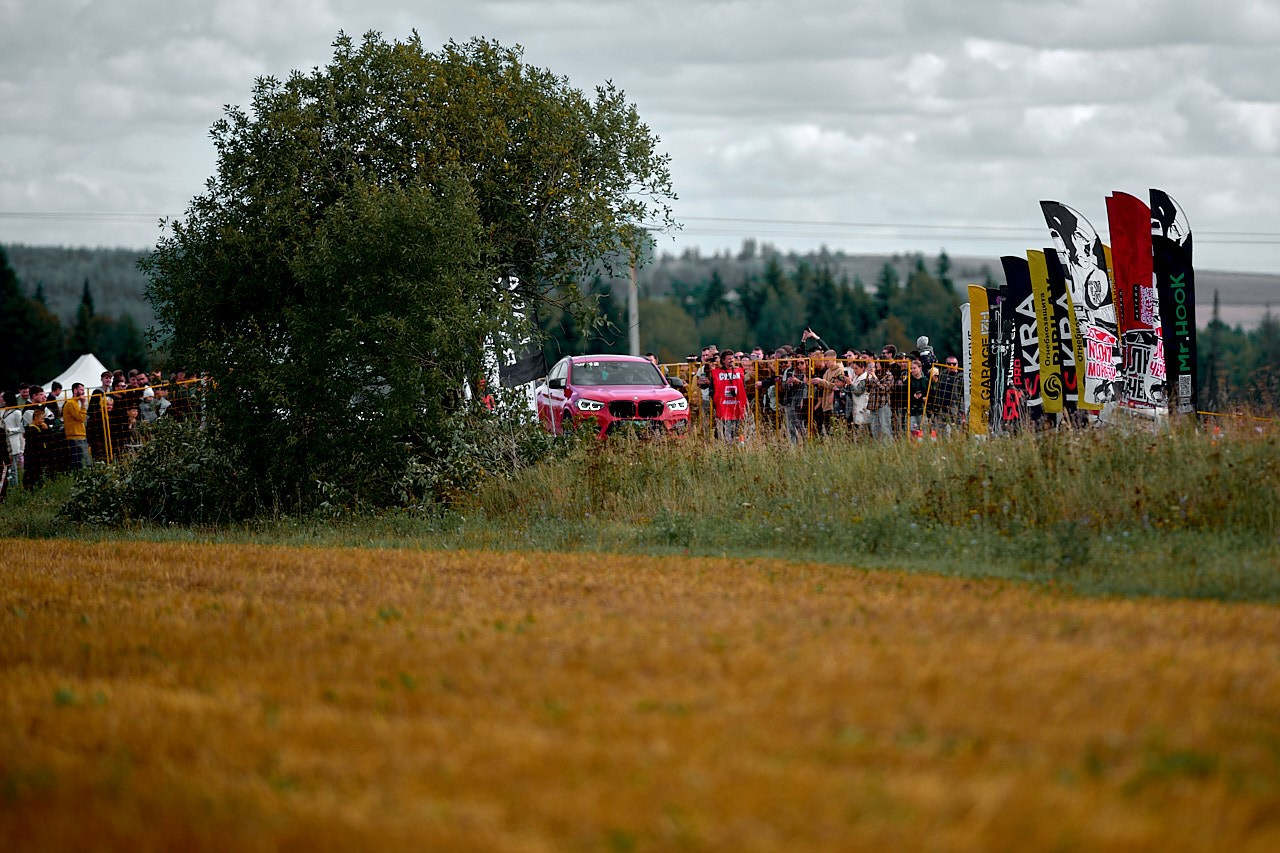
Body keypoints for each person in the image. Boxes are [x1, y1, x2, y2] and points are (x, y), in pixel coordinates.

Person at [700, 350, 748, 443]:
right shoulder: (716, 373)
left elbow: (743, 388)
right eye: (729, 359)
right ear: (723, 360)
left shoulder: (739, 371)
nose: (731, 360)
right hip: (723, 409)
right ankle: (727, 450)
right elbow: (712, 390)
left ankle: (740, 448)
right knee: (726, 434)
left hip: (738, 408)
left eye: (732, 358)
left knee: (739, 432)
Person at [22, 406, 53, 490]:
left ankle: (39, 486)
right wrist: (45, 430)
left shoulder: (39, 428)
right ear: (36, 418)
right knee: (31, 473)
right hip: (33, 455)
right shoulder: (32, 429)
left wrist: (47, 429)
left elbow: (49, 437)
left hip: (39, 455)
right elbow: (40, 439)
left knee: (39, 472)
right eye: (41, 419)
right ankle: (29, 488)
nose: (43, 421)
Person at [62, 382, 91, 469]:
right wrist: (83, 404)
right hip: (76, 436)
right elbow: (81, 418)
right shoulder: (71, 403)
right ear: (75, 390)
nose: (83, 392)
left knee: (82, 461)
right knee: (82, 463)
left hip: (79, 435)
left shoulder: (74, 403)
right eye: (81, 390)